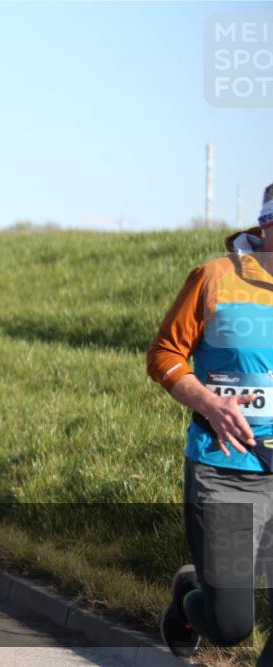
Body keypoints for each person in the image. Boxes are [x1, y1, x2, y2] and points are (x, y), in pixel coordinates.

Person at [147, 183, 273, 666]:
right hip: (226, 469)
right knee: (230, 625)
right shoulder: (216, 278)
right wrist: (208, 401)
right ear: (266, 225)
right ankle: (190, 595)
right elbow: (164, 354)